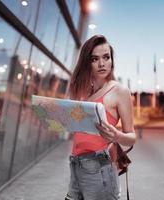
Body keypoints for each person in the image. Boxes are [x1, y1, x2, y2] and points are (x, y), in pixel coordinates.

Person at [65, 35, 136, 200]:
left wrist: (117, 136)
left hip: (100, 167)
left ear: (112, 59)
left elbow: (131, 137)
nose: (102, 63)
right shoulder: (84, 92)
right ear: (87, 62)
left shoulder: (119, 91)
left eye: (106, 57)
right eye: (95, 59)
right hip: (77, 163)